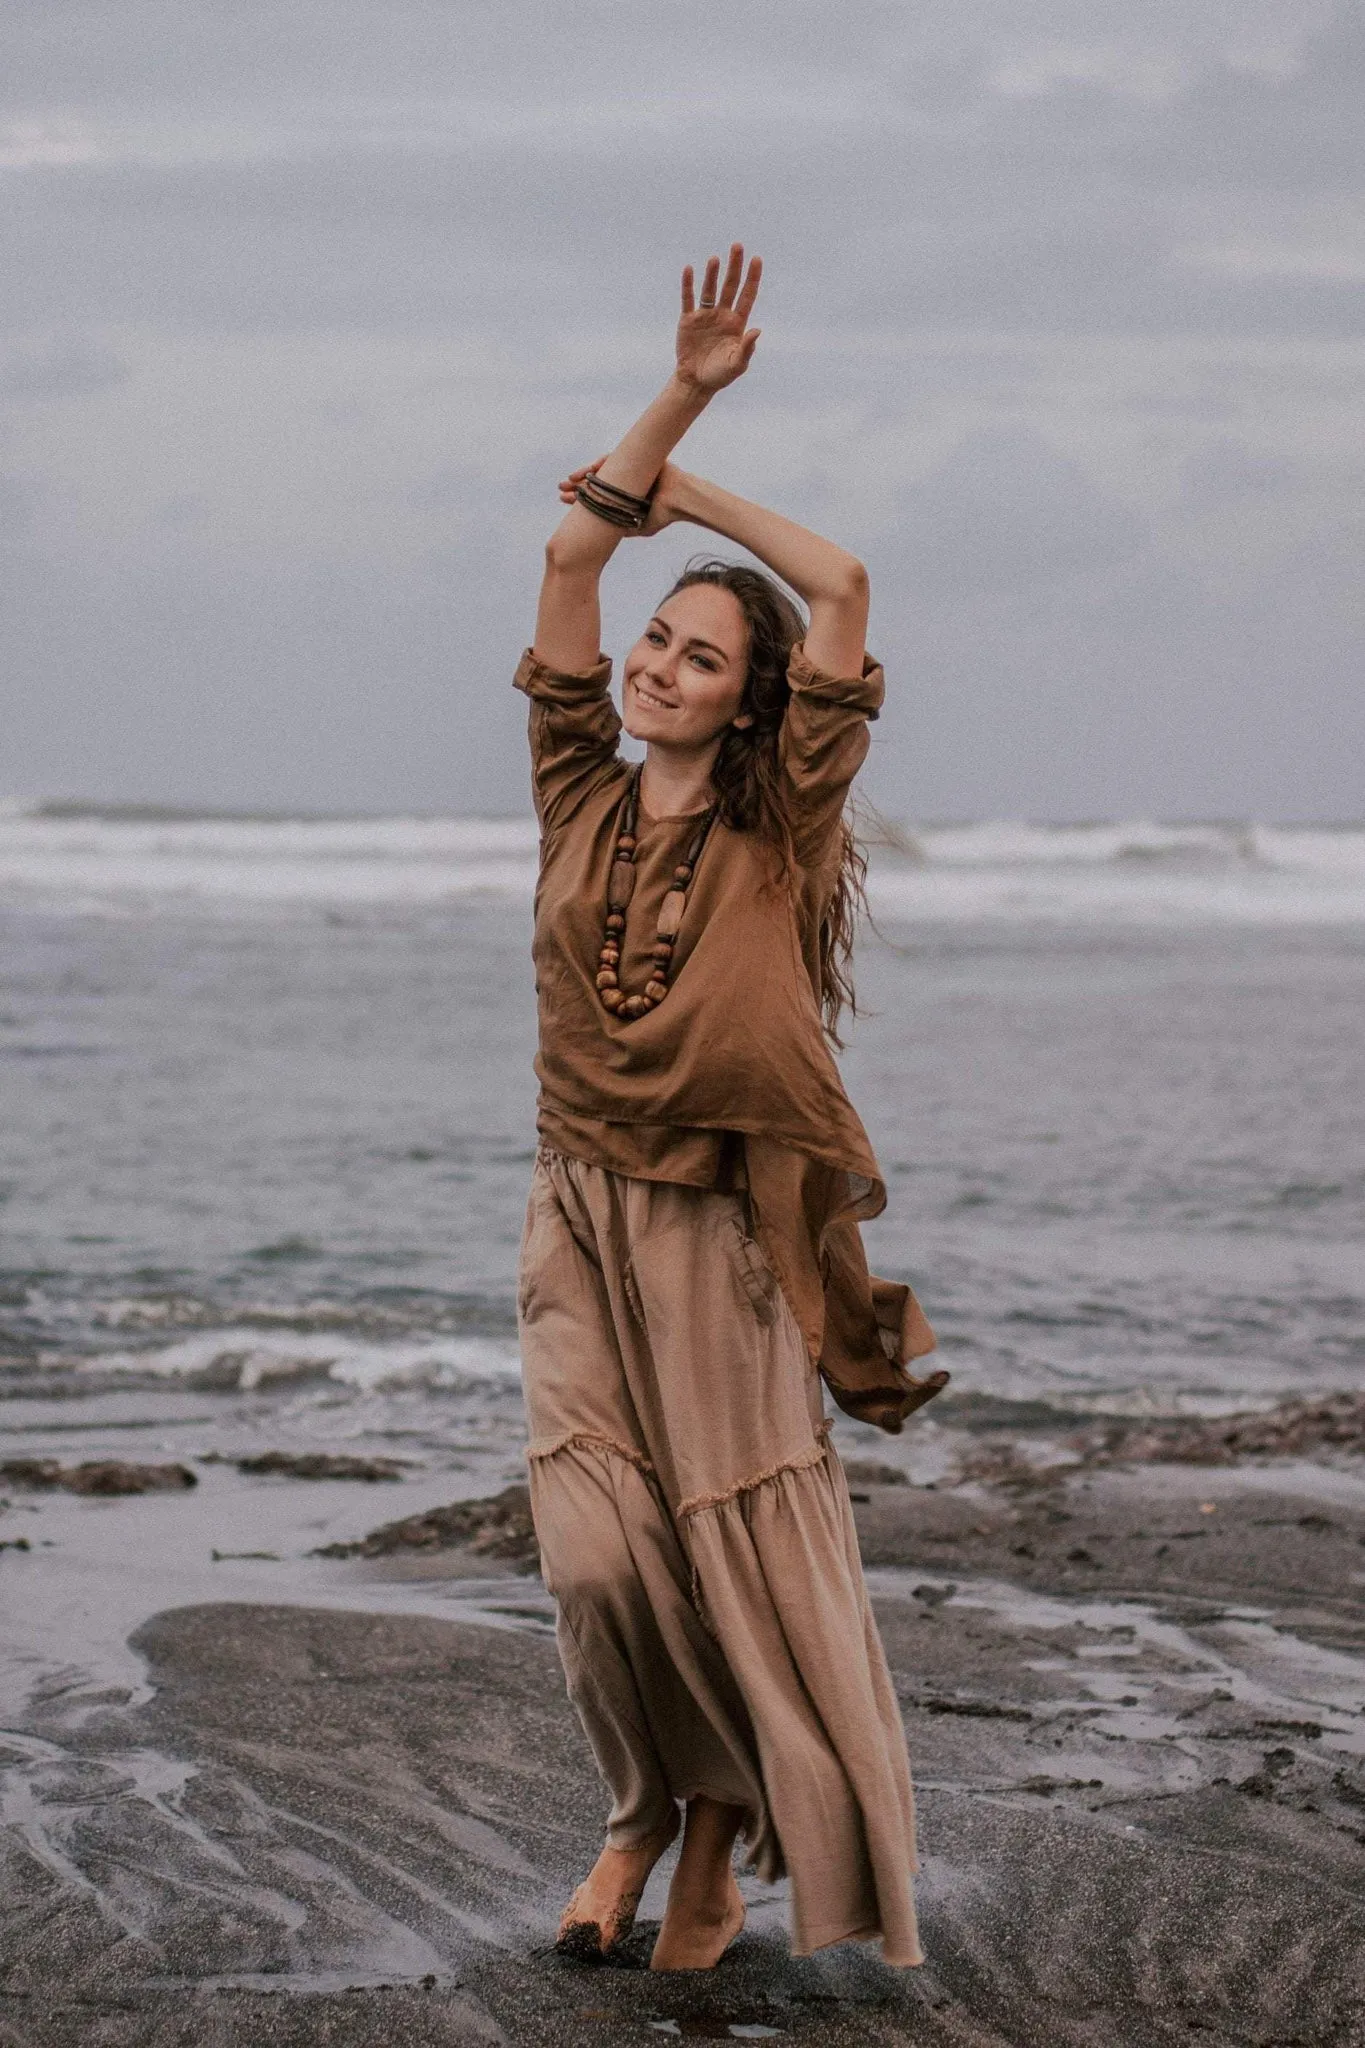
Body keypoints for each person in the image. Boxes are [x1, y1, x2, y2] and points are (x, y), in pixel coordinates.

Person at [515, 243, 947, 1974]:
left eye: (698, 657)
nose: (657, 667)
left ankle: (705, 1831)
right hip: (574, 1207)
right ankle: (648, 1804)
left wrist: (690, 481)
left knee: (721, 1549)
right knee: (600, 1558)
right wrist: (673, 385)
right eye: (656, 641)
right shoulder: (573, 786)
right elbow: (567, 556)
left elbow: (839, 582)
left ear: (752, 699)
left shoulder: (789, 824)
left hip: (717, 1222)